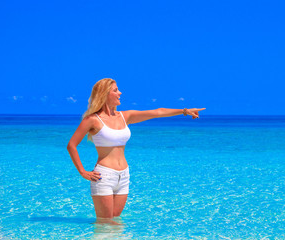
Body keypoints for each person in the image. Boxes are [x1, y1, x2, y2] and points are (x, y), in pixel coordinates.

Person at [66, 78, 206, 224]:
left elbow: (157, 112)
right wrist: (83, 172)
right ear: (104, 94)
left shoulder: (125, 116)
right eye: (115, 90)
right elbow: (72, 145)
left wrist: (184, 111)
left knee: (116, 221)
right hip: (104, 176)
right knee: (105, 224)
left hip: (124, 175)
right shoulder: (92, 120)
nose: (120, 92)